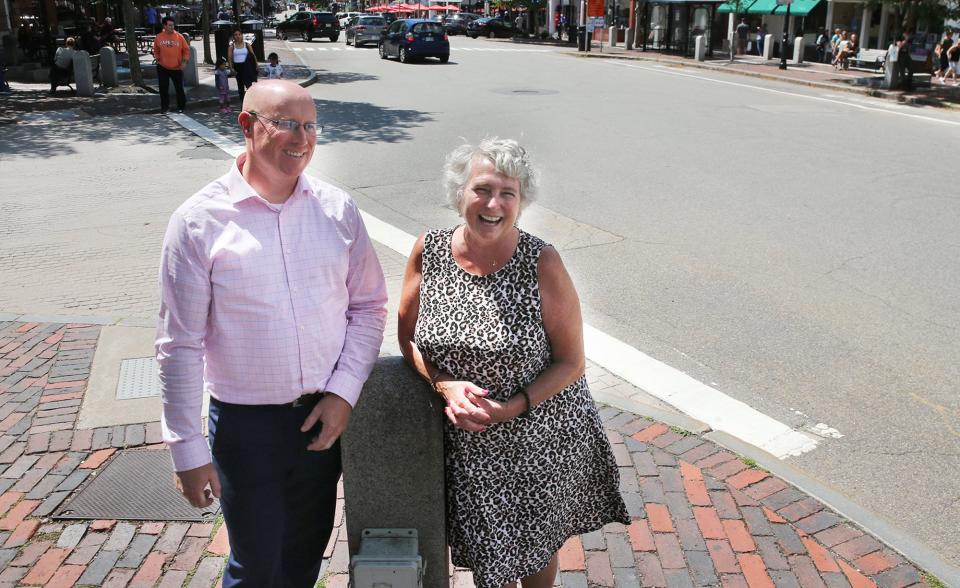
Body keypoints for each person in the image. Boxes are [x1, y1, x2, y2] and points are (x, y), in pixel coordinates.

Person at [157, 79, 387, 588]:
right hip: (246, 427)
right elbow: (179, 345)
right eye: (284, 123)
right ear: (247, 125)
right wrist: (187, 451)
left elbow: (369, 307)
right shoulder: (198, 221)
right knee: (255, 566)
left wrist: (344, 394)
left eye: (309, 126)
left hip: (321, 418)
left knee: (304, 557)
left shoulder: (337, 209)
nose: (300, 139)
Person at [398, 138, 629, 588]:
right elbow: (408, 340)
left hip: (538, 434)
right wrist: (444, 384)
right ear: (459, 193)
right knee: (492, 554)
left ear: (521, 203)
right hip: (469, 442)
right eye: (482, 189)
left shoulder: (541, 262)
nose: (494, 203)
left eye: (509, 193)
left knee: (532, 553)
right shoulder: (429, 251)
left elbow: (571, 362)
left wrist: (512, 406)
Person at [153, 16, 191, 113]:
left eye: (173, 25)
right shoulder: (158, 37)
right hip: (162, 67)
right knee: (163, 88)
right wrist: (157, 58)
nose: (172, 27)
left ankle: (181, 107)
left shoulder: (179, 37)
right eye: (169, 25)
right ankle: (165, 107)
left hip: (177, 67)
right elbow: (156, 50)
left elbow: (186, 50)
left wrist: (185, 61)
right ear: (164, 26)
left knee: (179, 89)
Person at [228, 28, 258, 104]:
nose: (238, 36)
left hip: (247, 66)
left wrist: (256, 65)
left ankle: (251, 102)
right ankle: (243, 102)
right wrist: (231, 68)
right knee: (240, 86)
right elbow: (230, 58)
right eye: (236, 34)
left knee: (249, 85)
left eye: (239, 34)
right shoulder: (232, 46)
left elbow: (253, 55)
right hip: (237, 67)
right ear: (233, 36)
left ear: (242, 35)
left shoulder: (247, 44)